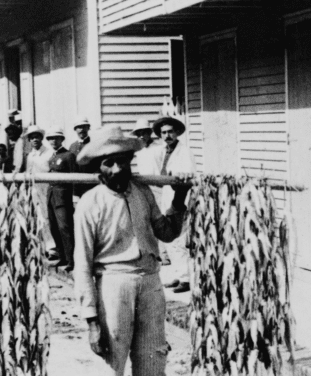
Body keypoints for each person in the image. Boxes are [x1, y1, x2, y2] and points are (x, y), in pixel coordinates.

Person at [73, 125, 191, 376]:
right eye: (109, 163)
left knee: (153, 356)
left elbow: (167, 233)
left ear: (130, 162)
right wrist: (92, 321)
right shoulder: (89, 204)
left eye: (122, 162)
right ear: (98, 167)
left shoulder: (142, 193)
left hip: (150, 281)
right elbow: (82, 265)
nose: (117, 169)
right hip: (114, 284)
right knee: (111, 359)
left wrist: (179, 197)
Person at [153, 116, 197, 293]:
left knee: (178, 238)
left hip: (180, 197)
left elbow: (186, 174)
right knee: (169, 237)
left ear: (177, 133)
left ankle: (186, 279)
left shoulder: (184, 151)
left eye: (170, 132)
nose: (167, 135)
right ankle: (179, 274)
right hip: (167, 195)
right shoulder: (163, 151)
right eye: (163, 133)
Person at [131, 118, 170, 265]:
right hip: (144, 187)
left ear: (149, 133)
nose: (141, 136)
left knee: (161, 219)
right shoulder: (139, 150)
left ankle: (165, 254)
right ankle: (155, 252)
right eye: (138, 134)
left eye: (144, 133)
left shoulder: (159, 147)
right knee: (147, 220)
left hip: (159, 186)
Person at [45, 128, 77, 269]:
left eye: (56, 138)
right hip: (52, 197)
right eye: (50, 138)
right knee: (54, 228)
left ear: (62, 139)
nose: (53, 141)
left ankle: (72, 260)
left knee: (65, 228)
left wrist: (75, 196)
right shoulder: (52, 157)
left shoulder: (68, 156)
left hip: (63, 197)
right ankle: (62, 257)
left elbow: (74, 177)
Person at [25, 125, 55, 251]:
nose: (35, 140)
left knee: (48, 216)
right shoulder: (30, 155)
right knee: (37, 216)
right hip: (34, 189)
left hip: (46, 187)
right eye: (32, 138)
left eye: (37, 137)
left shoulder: (49, 153)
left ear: (41, 138)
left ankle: (52, 246)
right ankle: (42, 245)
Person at [69, 115, 99, 197]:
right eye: (79, 127)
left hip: (92, 185)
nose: (81, 130)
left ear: (88, 128)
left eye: (84, 127)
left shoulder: (94, 144)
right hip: (76, 188)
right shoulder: (72, 147)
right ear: (75, 130)